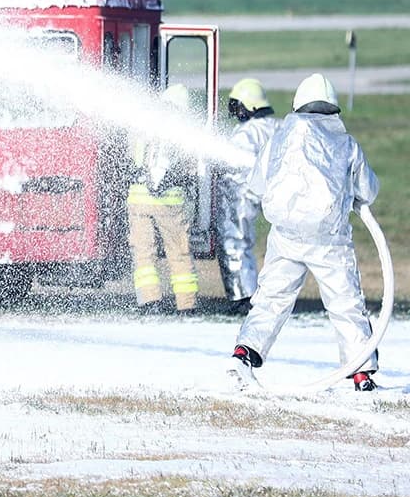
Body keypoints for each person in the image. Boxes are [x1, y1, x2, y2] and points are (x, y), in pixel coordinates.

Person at [228, 73, 380, 391]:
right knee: (345, 304)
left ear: (298, 105)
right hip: (329, 240)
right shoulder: (347, 144)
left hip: (286, 235)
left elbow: (257, 184)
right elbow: (368, 191)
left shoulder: (279, 139)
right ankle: (361, 373)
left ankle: (244, 352)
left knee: (271, 298)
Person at [127, 83, 201, 314]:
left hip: (139, 200)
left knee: (143, 253)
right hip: (170, 204)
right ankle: (186, 305)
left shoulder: (144, 127)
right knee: (179, 253)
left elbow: (132, 158)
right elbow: (190, 169)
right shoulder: (185, 132)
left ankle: (150, 303)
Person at [215, 78, 278, 308]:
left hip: (243, 193)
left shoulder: (246, 133)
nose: (236, 113)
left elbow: (232, 167)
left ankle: (243, 296)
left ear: (249, 106)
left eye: (237, 107)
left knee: (234, 241)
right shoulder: (277, 127)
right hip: (276, 193)